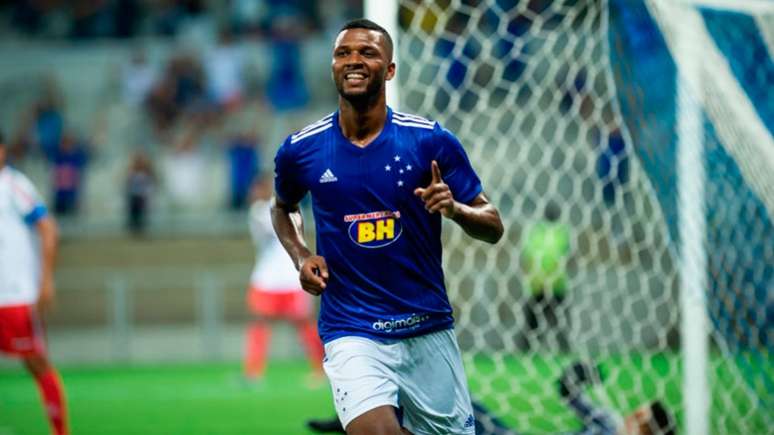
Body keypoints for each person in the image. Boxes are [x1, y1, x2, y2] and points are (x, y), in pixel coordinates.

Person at [272, 18, 504, 435]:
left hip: (426, 327)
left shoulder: (429, 141)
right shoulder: (301, 150)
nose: (354, 61)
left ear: (390, 70)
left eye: (368, 53)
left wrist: (455, 209)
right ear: (333, 66)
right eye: (343, 53)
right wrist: (302, 254)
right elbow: (283, 207)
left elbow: (492, 224)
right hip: (351, 330)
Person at [307, 362, 676, 435]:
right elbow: (566, 392)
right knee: (454, 402)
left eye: (640, 416)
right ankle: (353, 419)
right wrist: (580, 377)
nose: (633, 414)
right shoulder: (607, 422)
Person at [0, 130, 69, 435]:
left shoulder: (14, 185)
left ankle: (60, 431)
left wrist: (45, 282)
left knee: (36, 362)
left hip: (16, 295)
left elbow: (48, 228)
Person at [243, 175, 324, 381]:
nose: (255, 193)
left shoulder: (282, 206)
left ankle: (321, 368)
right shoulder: (259, 211)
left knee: (304, 323)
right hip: (267, 278)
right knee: (259, 323)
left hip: (290, 277)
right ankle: (253, 372)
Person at [520, 201, 572, 351]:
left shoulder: (556, 232)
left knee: (557, 321)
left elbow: (527, 257)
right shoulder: (548, 232)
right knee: (535, 321)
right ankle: (527, 349)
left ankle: (563, 348)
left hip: (551, 284)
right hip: (542, 285)